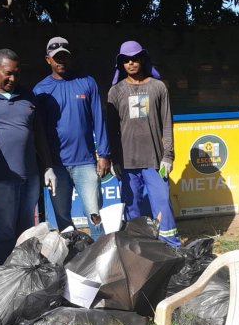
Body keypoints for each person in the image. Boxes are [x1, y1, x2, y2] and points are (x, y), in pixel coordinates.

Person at [0, 49, 55, 270]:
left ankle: (25, 274)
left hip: (30, 176)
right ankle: (1, 277)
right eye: (7, 73)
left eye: (16, 73)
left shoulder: (27, 95)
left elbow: (38, 132)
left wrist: (48, 166)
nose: (12, 79)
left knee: (27, 231)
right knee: (3, 232)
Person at [33, 37, 110, 239]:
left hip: (85, 163)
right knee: (63, 219)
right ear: (48, 59)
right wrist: (45, 165)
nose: (61, 61)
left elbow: (99, 119)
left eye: (65, 57)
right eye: (56, 58)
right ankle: (72, 257)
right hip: (56, 166)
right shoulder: (40, 90)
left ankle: (100, 255)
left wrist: (103, 154)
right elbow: (38, 131)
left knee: (95, 215)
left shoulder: (86, 82)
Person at [107, 40, 181, 247]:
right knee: (133, 208)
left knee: (162, 204)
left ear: (143, 59)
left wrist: (168, 155)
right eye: (126, 60)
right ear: (121, 64)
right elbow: (111, 130)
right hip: (127, 162)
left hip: (155, 160)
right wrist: (114, 159)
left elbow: (167, 124)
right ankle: (139, 248)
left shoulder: (158, 88)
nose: (131, 63)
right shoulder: (115, 92)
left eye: (135, 58)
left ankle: (172, 246)